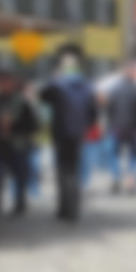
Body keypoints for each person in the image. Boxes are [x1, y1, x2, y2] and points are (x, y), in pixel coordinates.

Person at [38, 44, 97, 221]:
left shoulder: (57, 84)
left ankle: (65, 209)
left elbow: (43, 96)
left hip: (61, 133)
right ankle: (73, 209)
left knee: (63, 170)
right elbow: (93, 113)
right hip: (78, 133)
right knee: (74, 170)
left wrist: (53, 78)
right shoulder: (86, 86)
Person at [0, 69, 38, 218]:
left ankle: (20, 203)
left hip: (16, 146)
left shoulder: (22, 102)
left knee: (19, 176)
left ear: (12, 83)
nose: (3, 84)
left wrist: (14, 126)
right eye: (0, 82)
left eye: (6, 81)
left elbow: (33, 126)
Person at [103, 63, 136, 194]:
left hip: (116, 127)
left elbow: (109, 109)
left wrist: (111, 124)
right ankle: (132, 180)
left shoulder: (115, 90)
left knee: (112, 154)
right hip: (133, 129)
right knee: (134, 155)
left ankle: (116, 176)